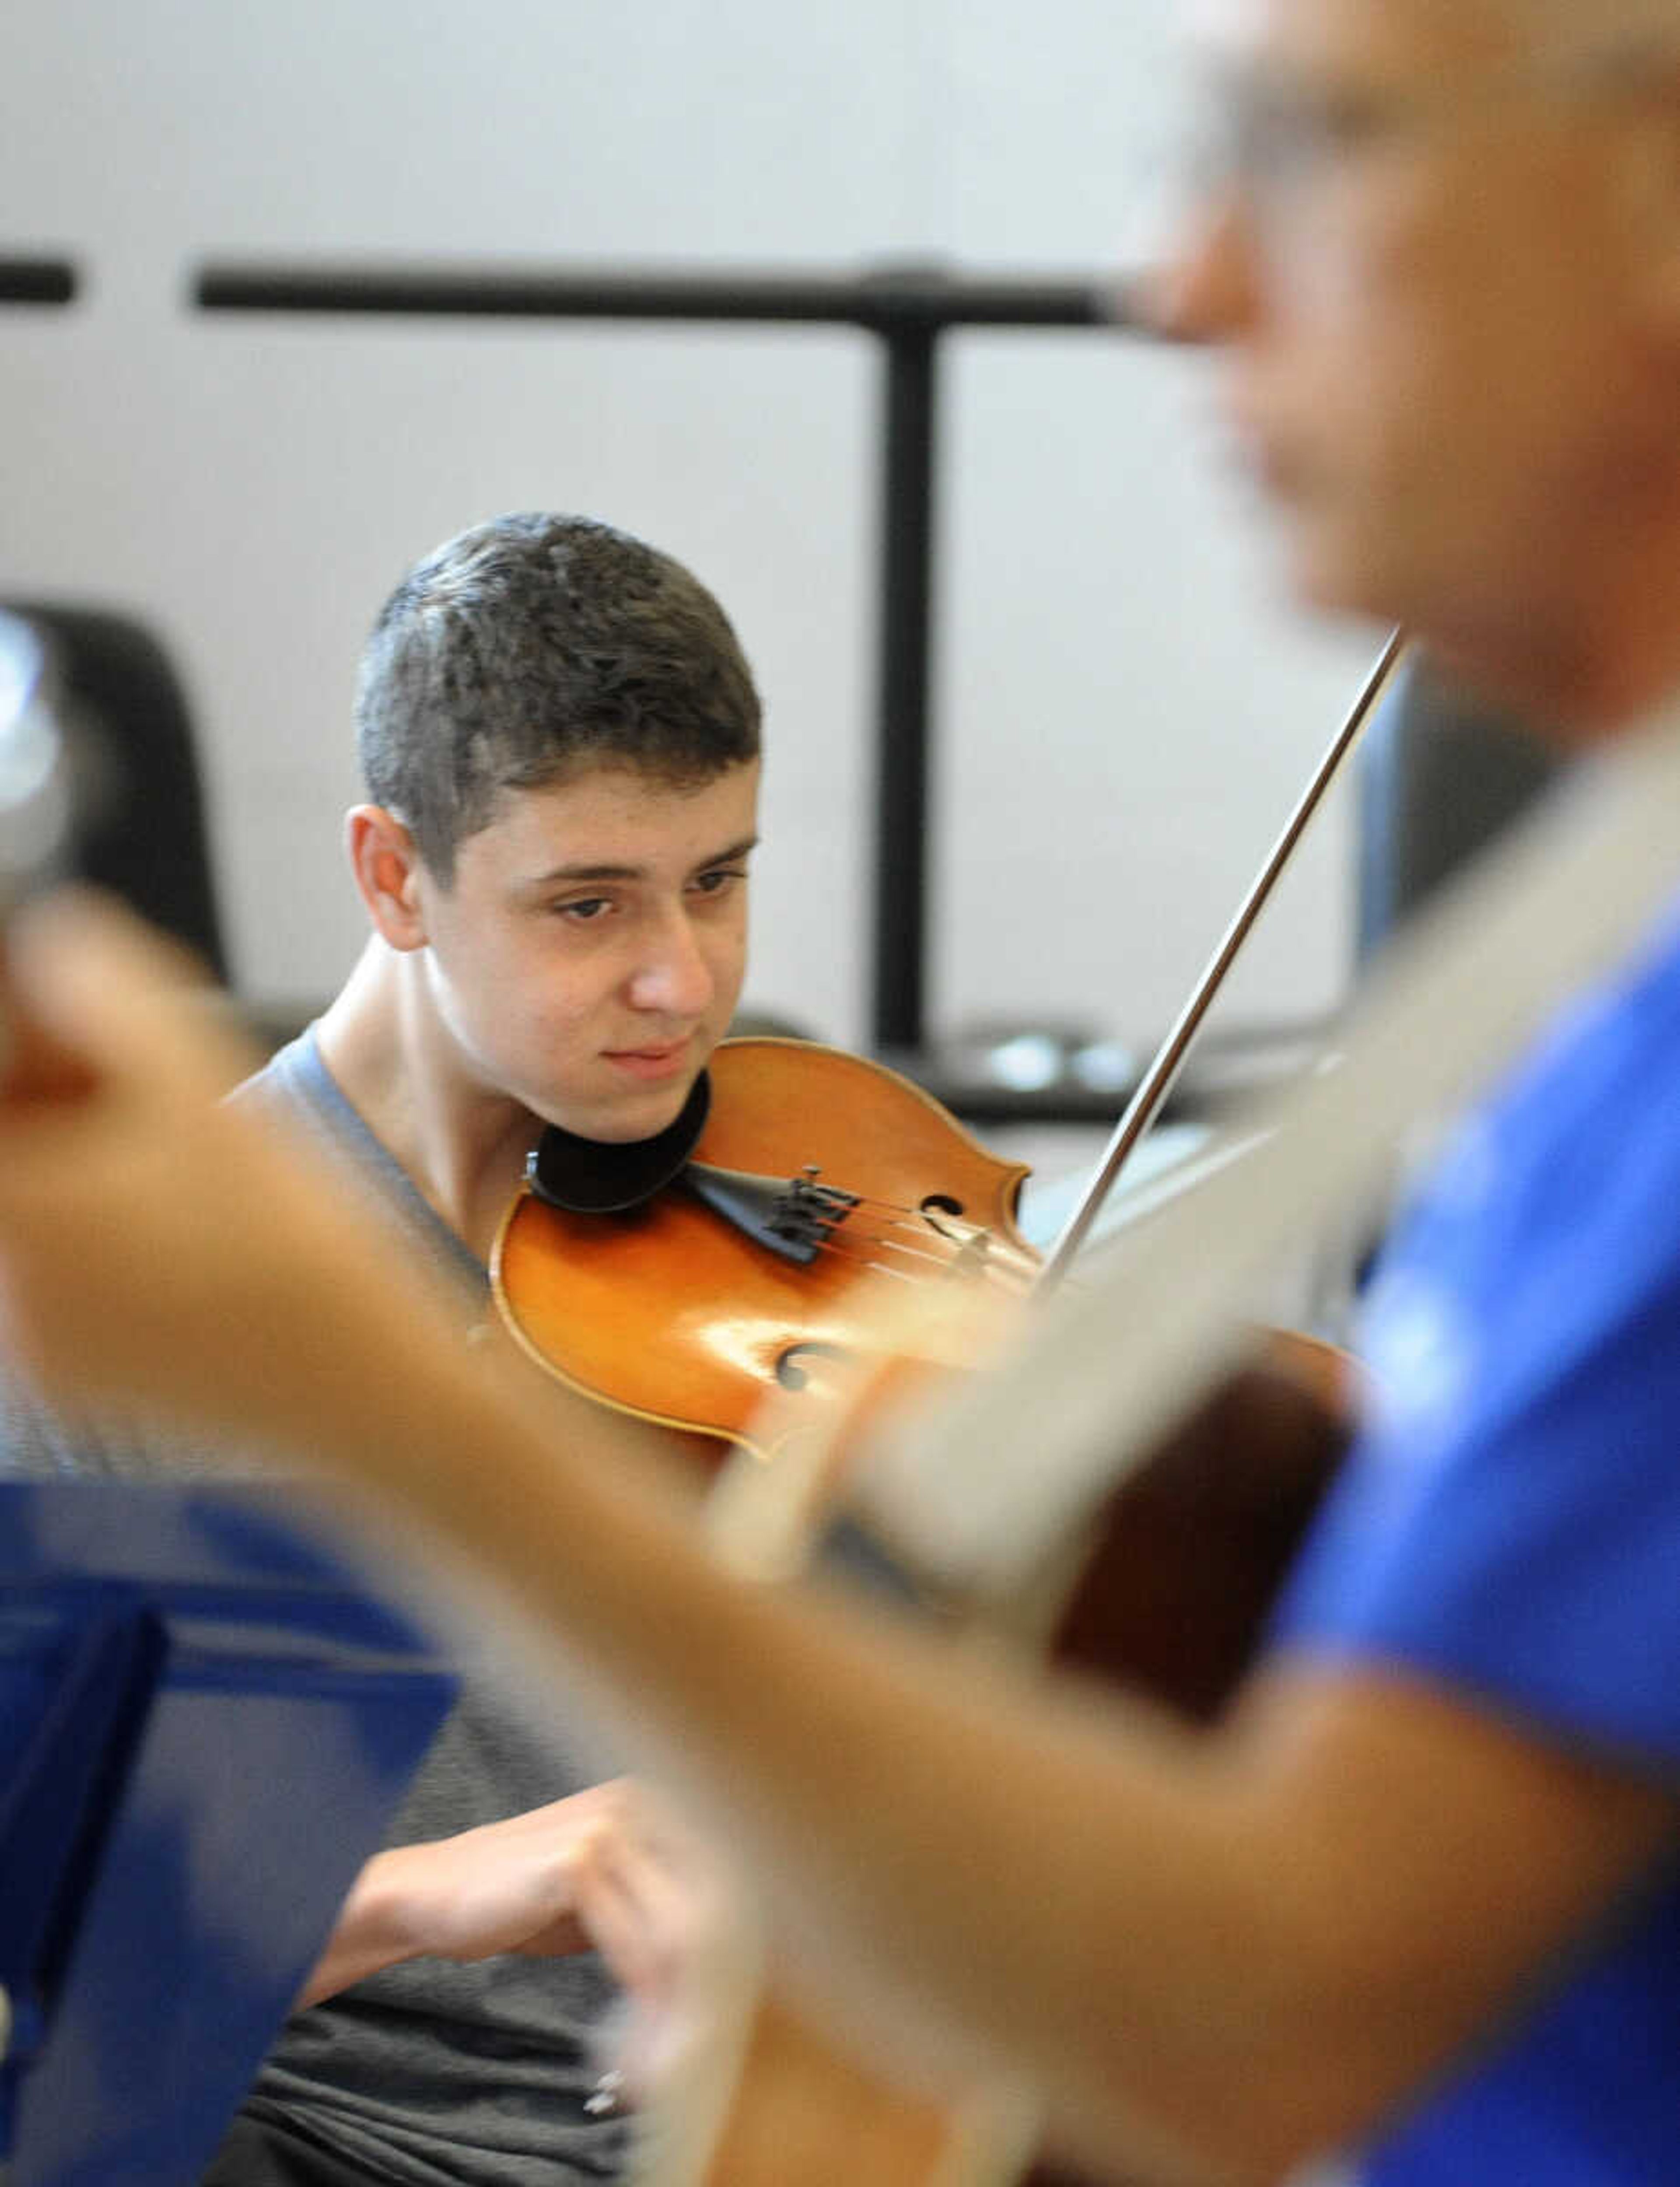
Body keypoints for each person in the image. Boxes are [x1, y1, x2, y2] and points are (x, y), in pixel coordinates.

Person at [4, 0, 1680, 2180]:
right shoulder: (1588, 1035)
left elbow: (1256, 1989)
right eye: (590, 903)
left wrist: (390, 1414)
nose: (1182, 280)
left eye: (1305, 144)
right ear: (390, 880)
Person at [0, 509, 763, 2187]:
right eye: (588, 905)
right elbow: (38, 1980)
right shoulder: (133, 1292)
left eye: (719, 881)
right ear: (393, 878)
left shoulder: (789, 1226)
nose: (681, 982)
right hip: (333, 2152)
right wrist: (443, 1888)